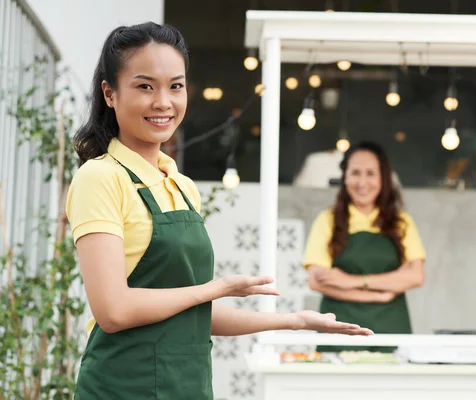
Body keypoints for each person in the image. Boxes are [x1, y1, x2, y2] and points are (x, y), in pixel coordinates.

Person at [66, 22, 372, 400]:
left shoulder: (181, 185)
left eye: (175, 86)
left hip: (188, 387)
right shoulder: (101, 178)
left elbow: (191, 313)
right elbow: (112, 309)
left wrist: (294, 321)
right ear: (110, 94)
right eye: (145, 86)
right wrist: (215, 288)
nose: (163, 101)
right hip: (122, 388)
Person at [304, 141, 426, 353]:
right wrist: (379, 294)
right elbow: (316, 281)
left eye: (371, 173)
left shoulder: (401, 222)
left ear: (383, 178)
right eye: (355, 173)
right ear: (345, 177)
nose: (362, 182)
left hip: (390, 330)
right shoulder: (328, 220)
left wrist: (350, 281)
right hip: (339, 332)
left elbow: (415, 276)